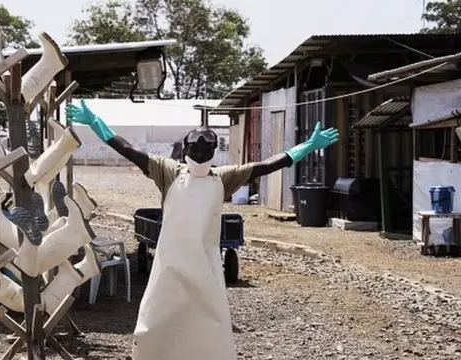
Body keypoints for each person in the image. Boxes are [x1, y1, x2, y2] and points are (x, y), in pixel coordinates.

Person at [66, 100, 339, 360]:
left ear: (214, 148)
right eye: (195, 141)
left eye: (206, 141)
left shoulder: (225, 177)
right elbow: (127, 149)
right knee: (156, 320)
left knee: (208, 322)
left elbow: (267, 166)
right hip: (169, 264)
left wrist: (305, 147)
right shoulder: (169, 171)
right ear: (185, 146)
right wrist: (96, 123)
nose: (200, 146)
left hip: (205, 265)